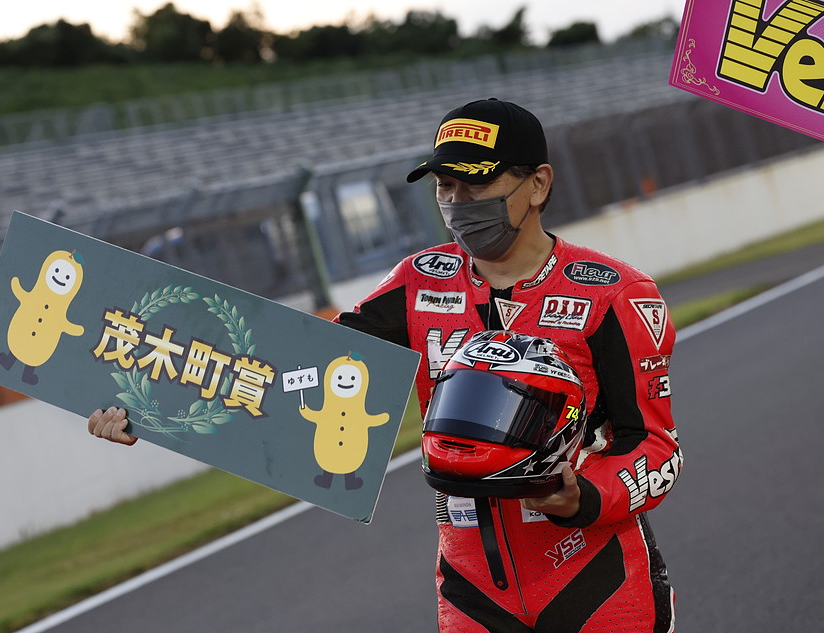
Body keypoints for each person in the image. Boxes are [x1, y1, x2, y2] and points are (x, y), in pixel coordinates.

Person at [88, 98, 682, 632]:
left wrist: (584, 497)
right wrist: (153, 408)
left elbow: (656, 447)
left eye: (475, 185)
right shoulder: (417, 282)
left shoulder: (614, 294)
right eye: (445, 186)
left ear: (538, 184)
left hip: (596, 577)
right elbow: (293, 373)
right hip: (473, 591)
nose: (458, 203)